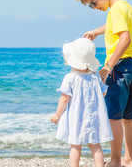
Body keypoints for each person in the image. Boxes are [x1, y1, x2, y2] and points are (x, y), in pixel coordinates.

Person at [76, 0, 132, 167]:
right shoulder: (125, 7)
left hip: (119, 67)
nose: (94, 7)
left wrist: (108, 66)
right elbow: (115, 26)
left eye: (93, 3)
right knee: (128, 118)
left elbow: (124, 39)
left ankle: (115, 161)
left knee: (113, 117)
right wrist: (97, 31)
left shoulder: (115, 10)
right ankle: (129, 160)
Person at [51, 38, 113, 167]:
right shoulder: (96, 76)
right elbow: (103, 93)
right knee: (96, 146)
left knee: (75, 145)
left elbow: (64, 98)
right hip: (94, 117)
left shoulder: (70, 78)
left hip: (77, 118)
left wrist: (57, 115)